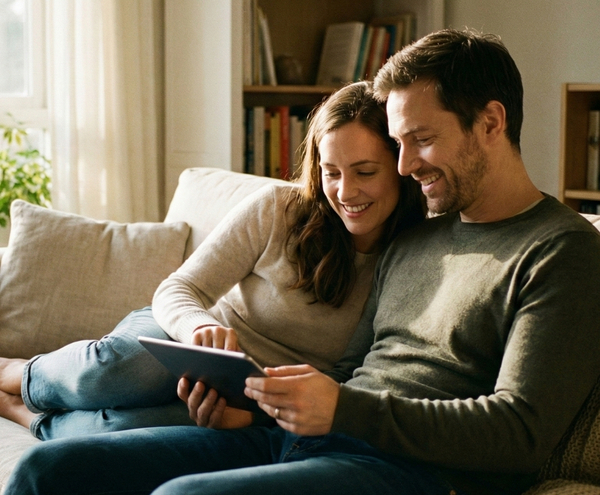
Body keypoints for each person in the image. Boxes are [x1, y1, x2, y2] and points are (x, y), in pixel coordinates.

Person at [2, 28, 600, 495]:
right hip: (310, 443)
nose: (404, 166)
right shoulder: (418, 235)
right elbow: (352, 367)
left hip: (423, 482)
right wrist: (254, 415)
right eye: (398, 145)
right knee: (48, 474)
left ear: (490, 121)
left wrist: (342, 409)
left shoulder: (562, 250)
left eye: (420, 139)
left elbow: (519, 431)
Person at [0, 80, 423, 440]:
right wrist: (199, 327)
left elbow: (349, 382)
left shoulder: (408, 258)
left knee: (128, 432)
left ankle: (25, 414)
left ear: (401, 167)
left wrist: (248, 416)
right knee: (119, 372)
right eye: (331, 172)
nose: (345, 192)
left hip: (249, 395)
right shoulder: (280, 208)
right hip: (187, 337)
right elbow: (180, 289)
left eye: (365, 172)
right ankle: (19, 372)